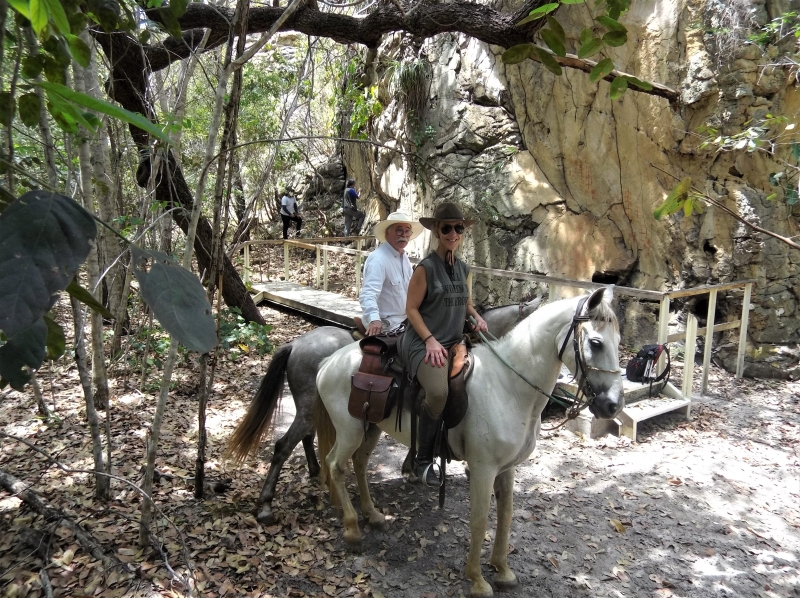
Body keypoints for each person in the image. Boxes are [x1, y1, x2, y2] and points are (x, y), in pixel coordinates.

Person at [399, 202, 488, 485]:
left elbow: (466, 303)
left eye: (458, 228)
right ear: (437, 231)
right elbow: (411, 309)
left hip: (453, 341)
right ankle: (422, 459)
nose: (453, 233)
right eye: (447, 228)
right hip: (422, 341)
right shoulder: (425, 268)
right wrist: (429, 341)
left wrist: (475, 317)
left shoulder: (463, 268)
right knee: (438, 392)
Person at [358, 211, 424, 336]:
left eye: (407, 231)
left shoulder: (404, 257)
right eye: (399, 230)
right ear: (387, 232)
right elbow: (368, 293)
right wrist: (374, 319)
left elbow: (412, 289)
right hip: (387, 324)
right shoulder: (378, 259)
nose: (403, 235)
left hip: (405, 319)